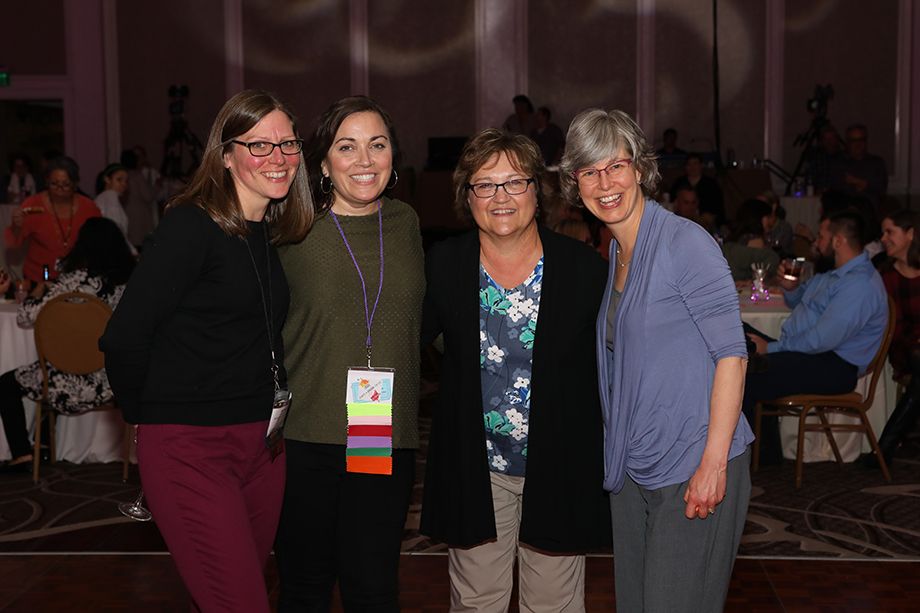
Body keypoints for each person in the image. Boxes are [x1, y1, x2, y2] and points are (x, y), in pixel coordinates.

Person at [100, 89, 314, 613]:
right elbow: (125, 336)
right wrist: (150, 423)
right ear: (226, 155)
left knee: (228, 593)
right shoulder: (190, 225)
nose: (278, 157)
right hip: (191, 446)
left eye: (287, 144)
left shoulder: (269, 232)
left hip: (263, 449)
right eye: (259, 145)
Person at [559, 108, 752, 613]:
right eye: (589, 171)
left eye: (615, 166)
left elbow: (733, 356)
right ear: (575, 183)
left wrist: (712, 464)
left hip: (692, 462)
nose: (605, 183)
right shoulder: (617, 254)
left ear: (640, 168)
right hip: (635, 465)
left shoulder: (685, 243)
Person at [421, 128, 610, 611]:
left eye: (514, 182)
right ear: (468, 196)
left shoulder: (583, 270)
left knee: (554, 604)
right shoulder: (443, 266)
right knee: (476, 601)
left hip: (558, 464)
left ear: (536, 191)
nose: (500, 197)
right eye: (485, 184)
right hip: (476, 468)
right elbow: (398, 344)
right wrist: (366, 438)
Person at [274, 95, 424, 612]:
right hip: (304, 435)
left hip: (380, 433)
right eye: (347, 146)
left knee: (374, 587)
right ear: (322, 163)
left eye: (377, 145)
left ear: (393, 156)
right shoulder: (292, 227)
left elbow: (425, 318)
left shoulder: (406, 223)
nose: (364, 160)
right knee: (305, 587)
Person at [744, 211, 888, 464]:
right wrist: (791, 289)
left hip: (835, 366)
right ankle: (763, 451)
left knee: (746, 372)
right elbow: (801, 301)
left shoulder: (860, 285)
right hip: (810, 355)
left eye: (821, 237)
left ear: (838, 241)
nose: (816, 242)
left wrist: (772, 349)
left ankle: (760, 456)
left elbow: (822, 339)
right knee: (737, 329)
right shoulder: (834, 274)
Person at [0, 218, 134, 473]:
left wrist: (38, 292)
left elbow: (25, 317)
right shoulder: (130, 284)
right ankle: (47, 444)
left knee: (7, 384)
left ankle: (23, 455)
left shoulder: (72, 282)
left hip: (65, 380)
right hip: (112, 381)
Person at [861, 210, 920, 467]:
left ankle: (884, 448)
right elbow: (893, 328)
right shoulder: (885, 276)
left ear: (910, 234)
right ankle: (885, 446)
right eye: (883, 233)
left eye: (890, 232)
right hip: (905, 350)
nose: (883, 239)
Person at [3, 156, 102, 284]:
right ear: (46, 182)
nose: (59, 189)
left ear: (75, 184)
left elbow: (100, 242)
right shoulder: (33, 204)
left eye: (66, 185)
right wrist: (16, 225)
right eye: (54, 184)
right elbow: (14, 242)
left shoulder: (89, 207)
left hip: (77, 277)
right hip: (40, 275)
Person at [828, 124, 888, 201]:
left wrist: (863, 184)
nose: (858, 144)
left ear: (866, 141)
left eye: (861, 140)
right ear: (848, 142)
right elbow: (835, 189)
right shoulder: (838, 163)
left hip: (869, 206)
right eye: (853, 140)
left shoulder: (877, 163)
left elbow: (881, 190)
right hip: (845, 206)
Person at [669, 152, 726, 228]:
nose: (692, 167)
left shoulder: (711, 184)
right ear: (685, 167)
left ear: (701, 165)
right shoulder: (679, 182)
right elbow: (671, 201)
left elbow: (718, 208)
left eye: (695, 164)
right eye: (689, 164)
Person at [94, 163, 130, 237]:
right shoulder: (110, 195)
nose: (124, 184)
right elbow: (115, 227)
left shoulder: (102, 197)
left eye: (126, 181)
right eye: (119, 180)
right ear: (107, 179)